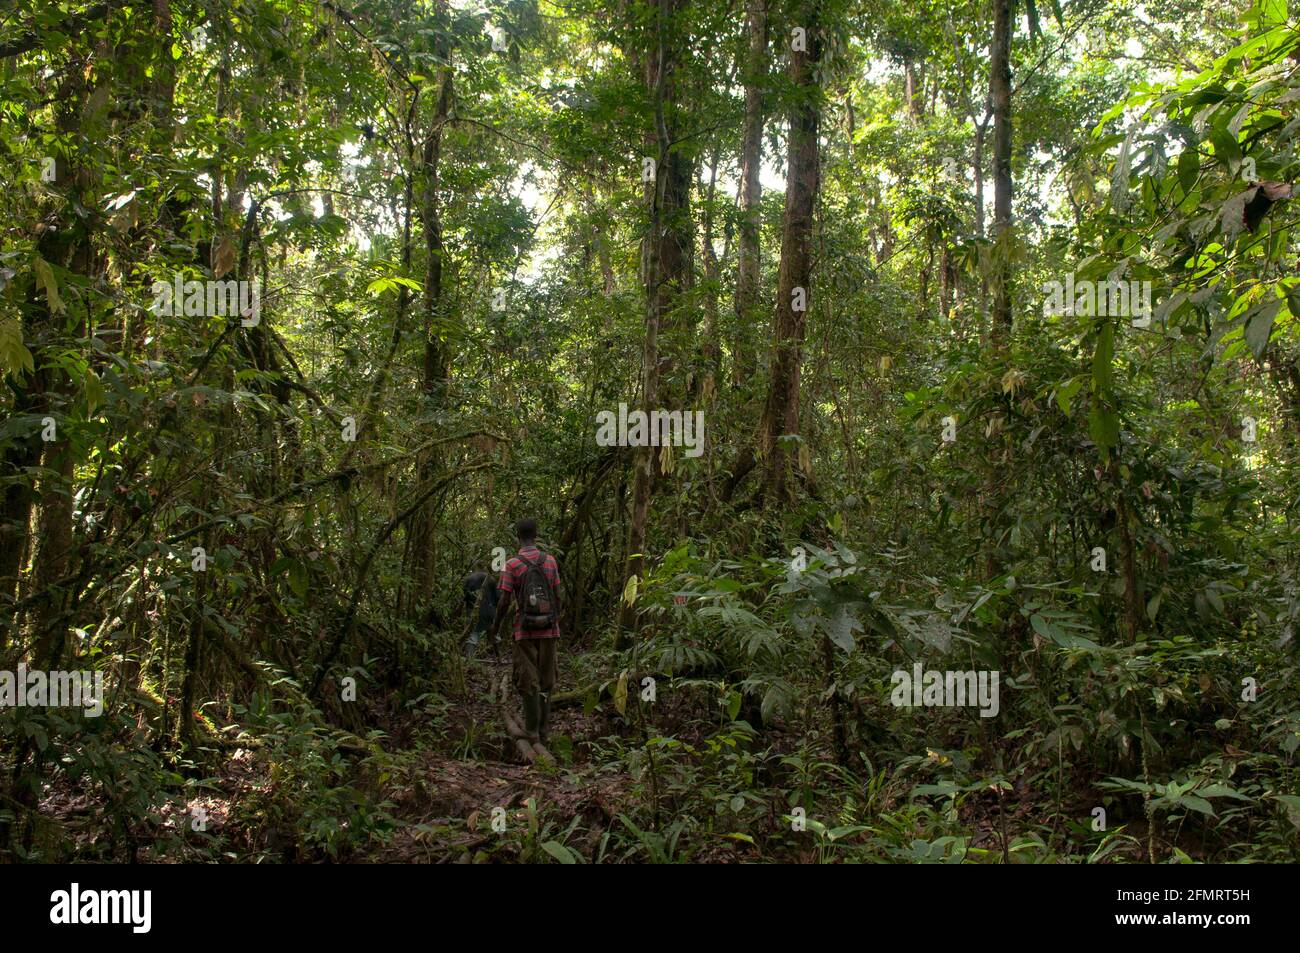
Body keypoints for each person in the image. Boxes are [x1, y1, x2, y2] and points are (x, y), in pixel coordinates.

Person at [488, 518, 562, 743]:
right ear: (536, 535)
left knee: (529, 680)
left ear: (518, 538)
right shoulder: (550, 561)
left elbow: (504, 601)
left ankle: (531, 730)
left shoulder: (512, 564)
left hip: (524, 631)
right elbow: (558, 596)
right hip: (549, 629)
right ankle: (543, 730)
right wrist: (553, 620)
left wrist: (496, 627)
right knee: (546, 680)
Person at [461, 569, 500, 657]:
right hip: (489, 611)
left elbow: (463, 597)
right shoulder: (491, 579)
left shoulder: (469, 579)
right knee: (494, 635)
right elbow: (498, 597)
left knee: (472, 636)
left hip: (473, 611)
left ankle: (469, 660)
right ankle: (499, 657)